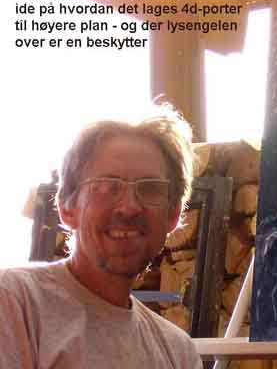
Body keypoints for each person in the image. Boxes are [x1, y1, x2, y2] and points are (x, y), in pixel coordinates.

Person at [0, 105, 203, 369]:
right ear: (66, 208)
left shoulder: (178, 353)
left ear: (173, 215)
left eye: (150, 189)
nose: (129, 207)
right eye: (106, 187)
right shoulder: (16, 302)